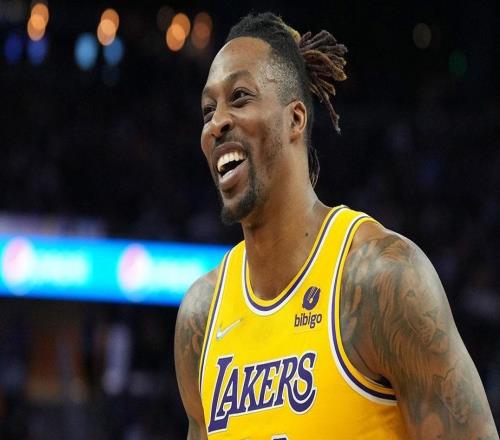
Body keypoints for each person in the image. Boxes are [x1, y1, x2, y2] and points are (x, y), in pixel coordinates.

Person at [174, 12, 498, 439]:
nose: (216, 122)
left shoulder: (382, 280)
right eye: (207, 110)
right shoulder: (201, 318)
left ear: (295, 119)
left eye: (239, 97)